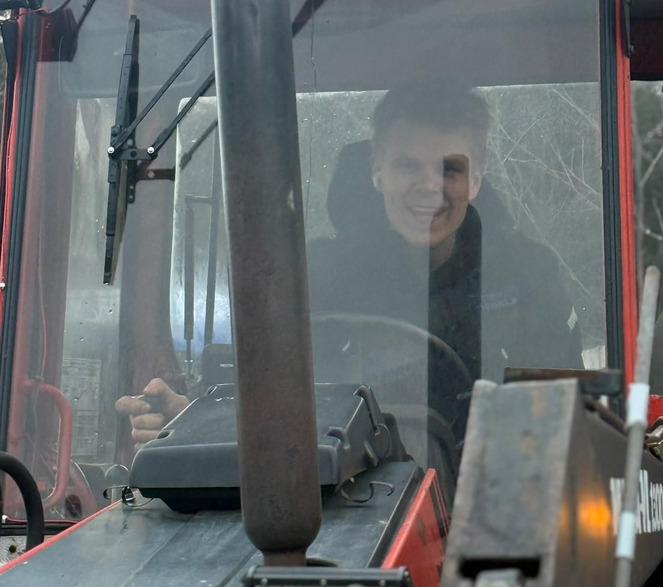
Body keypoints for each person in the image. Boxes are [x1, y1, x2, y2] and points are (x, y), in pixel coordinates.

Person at [117, 78, 582, 449]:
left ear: (476, 178)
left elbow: (570, 422)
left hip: (487, 518)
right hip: (339, 519)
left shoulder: (529, 275)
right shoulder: (315, 276)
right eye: (407, 166)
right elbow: (261, 413)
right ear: (377, 171)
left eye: (450, 169)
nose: (429, 186)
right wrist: (191, 421)